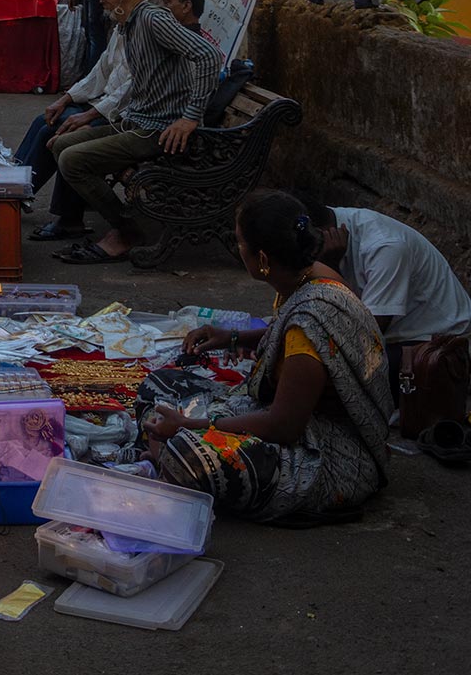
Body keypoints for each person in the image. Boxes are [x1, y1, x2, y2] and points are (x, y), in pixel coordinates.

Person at [145, 190, 391, 522]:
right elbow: (284, 335)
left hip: (329, 455)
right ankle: (167, 450)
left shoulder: (310, 323)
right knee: (159, 386)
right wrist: (231, 337)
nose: (238, 249)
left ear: (262, 258)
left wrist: (191, 425)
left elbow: (284, 425)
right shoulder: (308, 275)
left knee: (184, 453)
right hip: (293, 422)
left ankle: (168, 456)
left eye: (239, 242)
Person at [32, 0, 220, 262]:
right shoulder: (127, 24)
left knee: (72, 159)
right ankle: (111, 223)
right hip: (137, 120)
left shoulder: (152, 19)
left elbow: (208, 55)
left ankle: (130, 230)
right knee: (60, 142)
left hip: (158, 129)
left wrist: (190, 117)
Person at [303, 198, 471, 396]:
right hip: (393, 338)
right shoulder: (327, 227)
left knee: (322, 374)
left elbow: (367, 335)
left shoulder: (385, 246)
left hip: (438, 346)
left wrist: (329, 269)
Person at [15, 34, 132, 197]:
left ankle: (20, 193)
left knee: (55, 134)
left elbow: (129, 92)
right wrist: (65, 99)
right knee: (44, 121)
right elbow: (100, 72)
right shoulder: (121, 30)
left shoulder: (142, 34)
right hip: (104, 104)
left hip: (123, 114)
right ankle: (11, 181)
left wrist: (88, 116)